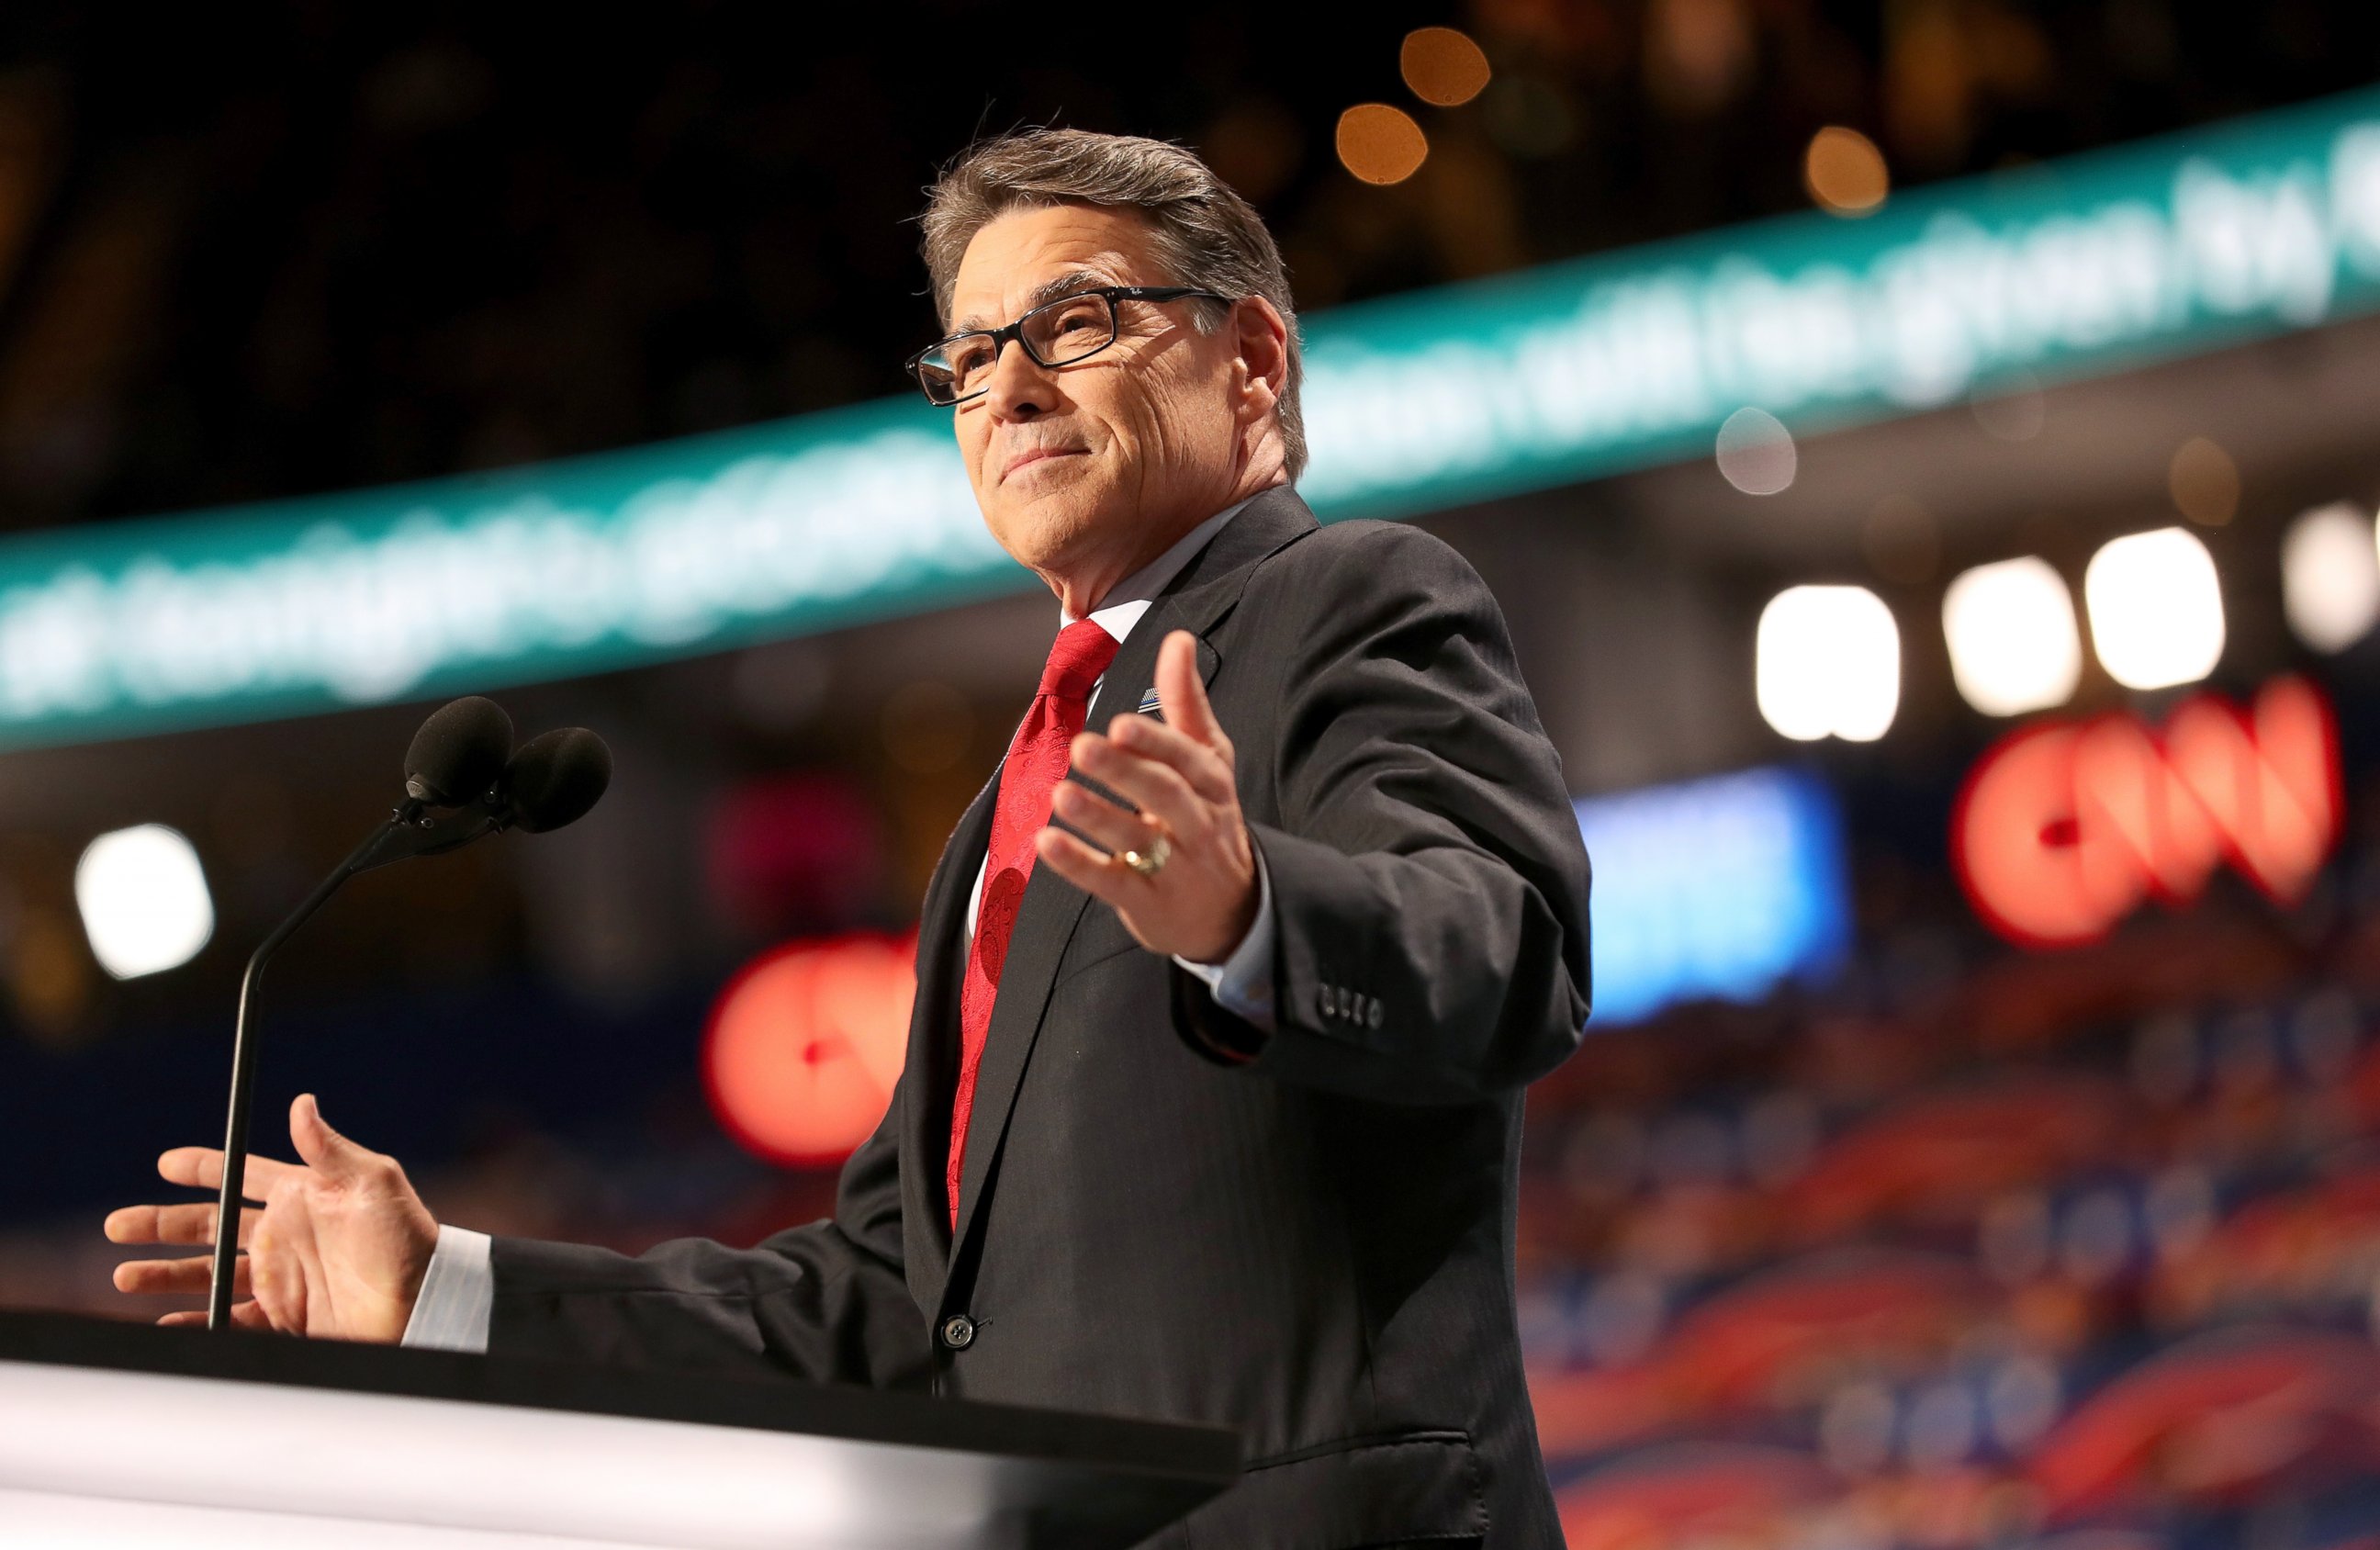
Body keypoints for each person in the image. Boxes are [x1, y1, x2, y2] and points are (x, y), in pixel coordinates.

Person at [107, 129, 1593, 1548]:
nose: (1006, 389)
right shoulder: (989, 831)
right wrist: (456, 1289)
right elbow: (890, 1304)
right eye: (968, 356)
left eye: (1075, 322)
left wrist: (1251, 914)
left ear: (1253, 358)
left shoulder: (1355, 597)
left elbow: (1506, 947)